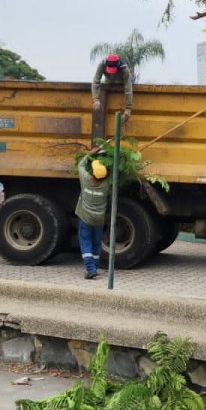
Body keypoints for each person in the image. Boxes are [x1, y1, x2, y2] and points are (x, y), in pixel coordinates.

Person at [76, 151, 110, 279]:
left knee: (85, 241)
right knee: (96, 243)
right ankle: (94, 266)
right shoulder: (106, 185)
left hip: (85, 218)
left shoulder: (86, 179)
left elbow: (80, 165)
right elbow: (113, 173)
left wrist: (91, 153)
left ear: (93, 173)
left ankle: (90, 269)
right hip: (99, 219)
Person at [91, 54, 133, 140]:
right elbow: (96, 81)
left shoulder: (124, 69)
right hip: (108, 83)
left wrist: (128, 108)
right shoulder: (102, 64)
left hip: (121, 82)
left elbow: (128, 88)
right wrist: (95, 99)